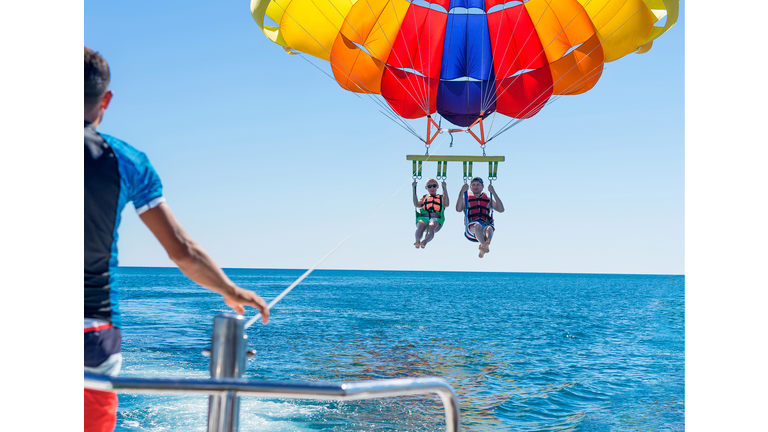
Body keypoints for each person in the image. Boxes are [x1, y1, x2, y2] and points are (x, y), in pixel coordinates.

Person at [84, 47, 270, 432]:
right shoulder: (128, 161)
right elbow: (182, 251)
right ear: (107, 100)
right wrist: (230, 289)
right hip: (93, 336)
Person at [455, 177, 505, 258]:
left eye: (478, 185)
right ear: (470, 187)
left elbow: (501, 209)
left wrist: (493, 192)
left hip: (484, 226)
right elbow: (458, 209)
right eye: (473, 185)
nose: (476, 187)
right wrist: (462, 191)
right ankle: (483, 245)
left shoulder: (487, 199)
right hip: (471, 228)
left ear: (482, 186)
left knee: (490, 228)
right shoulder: (466, 199)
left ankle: (486, 244)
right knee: (477, 225)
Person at [412, 178, 449, 249]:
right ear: (426, 187)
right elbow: (417, 204)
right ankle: (417, 240)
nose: (432, 188)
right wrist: (414, 189)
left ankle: (425, 241)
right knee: (421, 225)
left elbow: (446, 204)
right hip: (424, 218)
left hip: (435, 219)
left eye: (434, 186)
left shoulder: (441, 197)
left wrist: (445, 189)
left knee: (431, 226)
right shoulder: (424, 197)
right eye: (429, 186)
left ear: (437, 186)